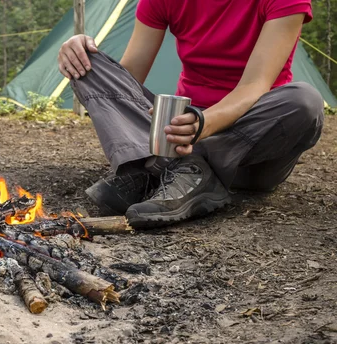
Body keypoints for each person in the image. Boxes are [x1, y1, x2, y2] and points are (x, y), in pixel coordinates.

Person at [57, 0, 325, 228]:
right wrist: (79, 50)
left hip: (250, 141)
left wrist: (202, 126)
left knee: (304, 101)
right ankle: (175, 170)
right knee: (87, 66)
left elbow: (254, 85)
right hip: (181, 131)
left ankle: (160, 169)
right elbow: (128, 81)